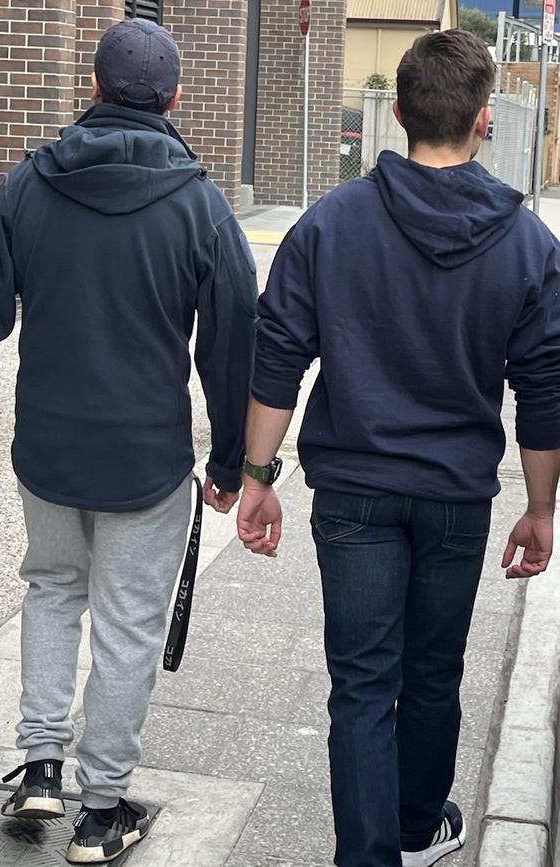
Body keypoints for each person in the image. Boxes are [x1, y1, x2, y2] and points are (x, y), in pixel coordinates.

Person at [0, 18, 257, 864]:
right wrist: (231, 463)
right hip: (146, 459)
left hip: (49, 450)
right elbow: (231, 343)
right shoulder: (201, 206)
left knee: (51, 591)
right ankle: (103, 808)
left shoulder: (27, 186)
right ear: (174, 97)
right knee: (129, 625)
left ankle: (40, 764)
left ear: (95, 86)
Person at [237, 29, 560, 867]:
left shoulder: (330, 224)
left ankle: (372, 854)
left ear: (400, 116)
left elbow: (278, 356)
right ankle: (418, 829)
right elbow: (544, 389)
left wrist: (257, 474)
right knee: (432, 673)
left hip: (353, 492)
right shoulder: (529, 246)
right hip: (457, 494)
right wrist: (540, 507)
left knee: (362, 684)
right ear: (482, 120)